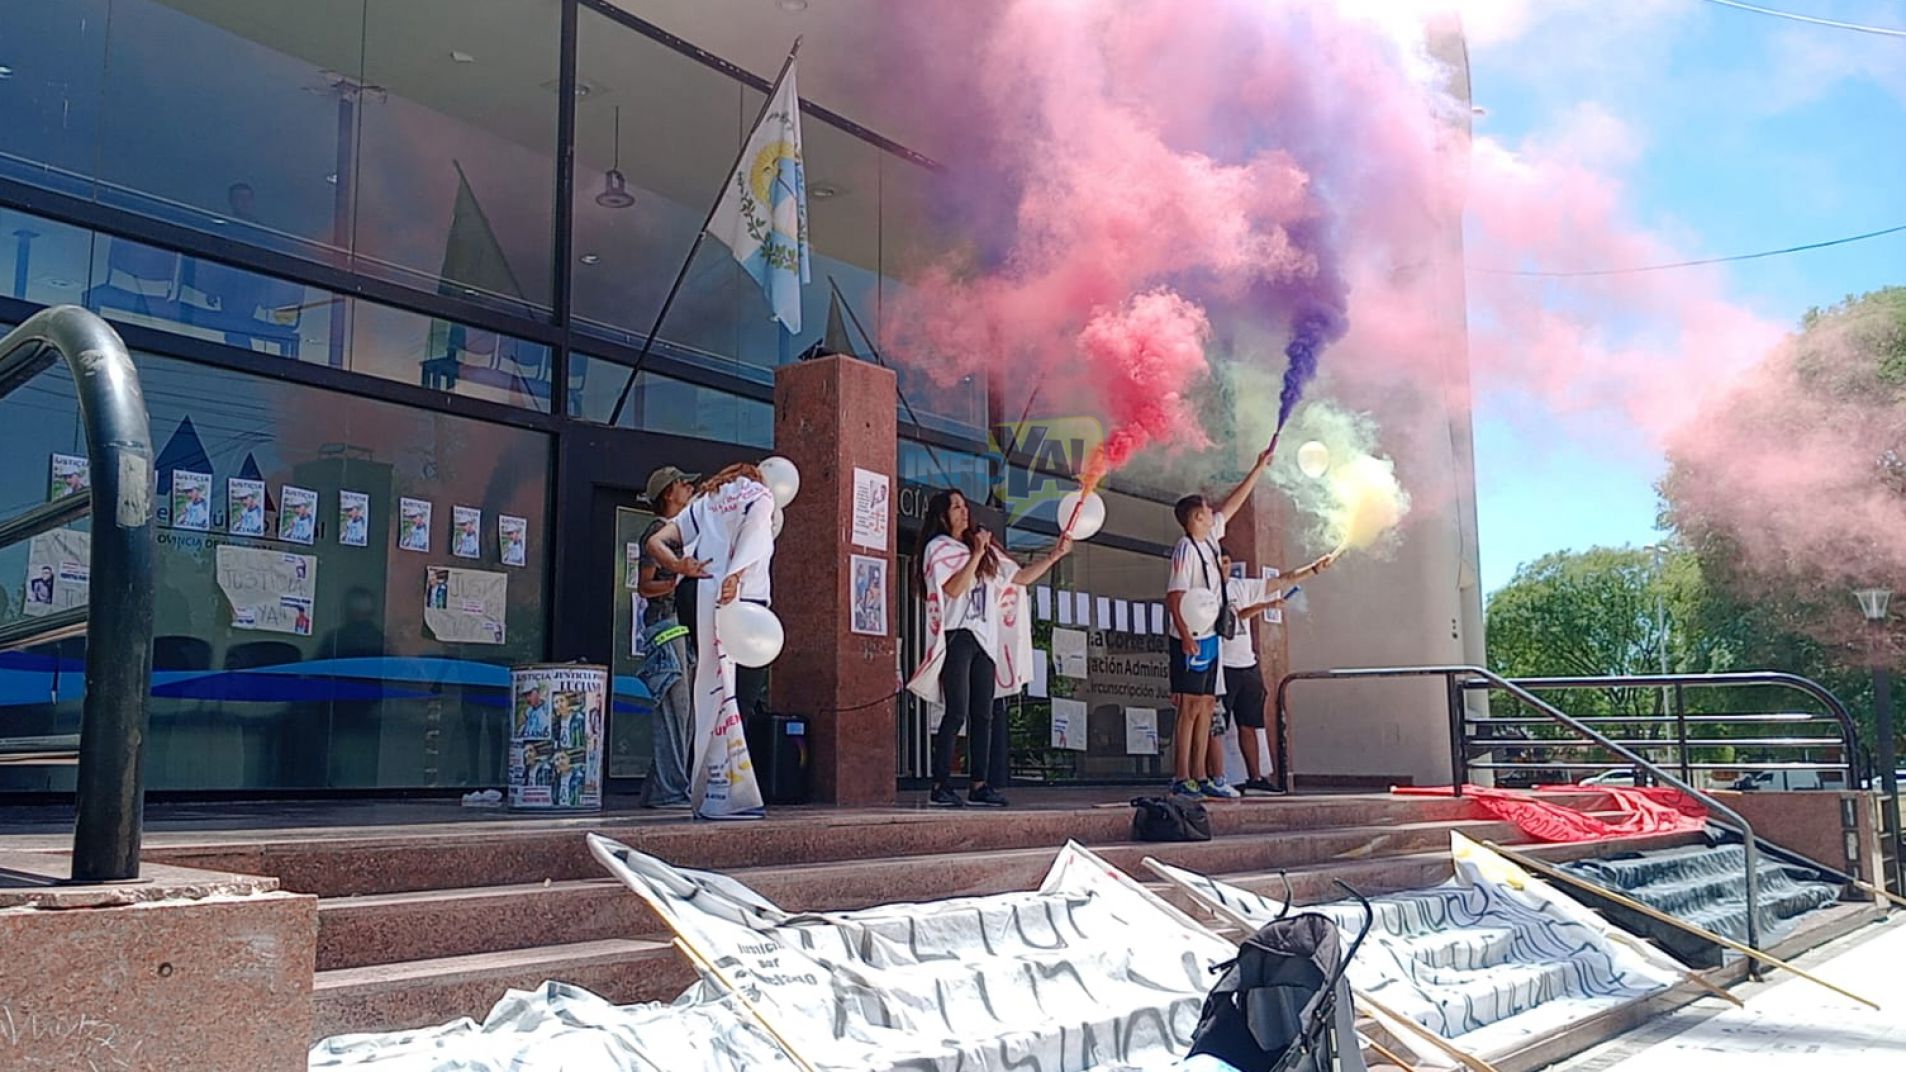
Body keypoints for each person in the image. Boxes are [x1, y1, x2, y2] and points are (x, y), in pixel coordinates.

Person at [907, 489, 1072, 808]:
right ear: (942, 515)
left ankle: (979, 783)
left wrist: (1055, 555)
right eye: (956, 507)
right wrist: (977, 554)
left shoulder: (984, 552)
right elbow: (954, 589)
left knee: (984, 714)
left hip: (984, 639)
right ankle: (940, 784)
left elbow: (1019, 578)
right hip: (958, 635)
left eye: (965, 506)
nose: (963, 512)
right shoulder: (938, 549)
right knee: (957, 710)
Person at [644, 463, 779, 819]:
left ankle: (708, 788)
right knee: (742, 697)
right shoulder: (758, 497)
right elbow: (756, 539)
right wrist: (734, 576)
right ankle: (734, 792)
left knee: (710, 690)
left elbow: (655, 542)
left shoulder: (705, 502)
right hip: (743, 605)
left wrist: (681, 566)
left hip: (699, 597)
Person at [1167, 448, 1273, 799]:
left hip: (1211, 635)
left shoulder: (1212, 541)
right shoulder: (1186, 548)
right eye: (1207, 511)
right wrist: (1184, 637)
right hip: (1191, 637)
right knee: (1189, 708)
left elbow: (1234, 503)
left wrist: (1258, 467)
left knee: (1207, 706)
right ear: (1197, 517)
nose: (1214, 514)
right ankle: (1182, 776)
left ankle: (1201, 775)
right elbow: (1174, 597)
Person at [1205, 549, 1335, 795]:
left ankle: (1255, 778)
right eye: (1218, 563)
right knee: (1216, 725)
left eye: (1226, 562)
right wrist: (1263, 606)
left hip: (1247, 664)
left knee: (1250, 723)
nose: (1223, 568)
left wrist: (1313, 569)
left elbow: (1280, 580)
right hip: (1221, 665)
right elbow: (1233, 616)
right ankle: (1216, 778)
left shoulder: (1241, 587)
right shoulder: (1205, 592)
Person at [636, 465, 700, 809]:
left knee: (680, 712)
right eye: (682, 484)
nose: (689, 488)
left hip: (679, 628)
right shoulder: (658, 532)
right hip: (667, 626)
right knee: (677, 711)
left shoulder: (679, 532)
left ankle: (657, 789)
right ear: (668, 493)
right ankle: (671, 792)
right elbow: (645, 587)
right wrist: (677, 580)